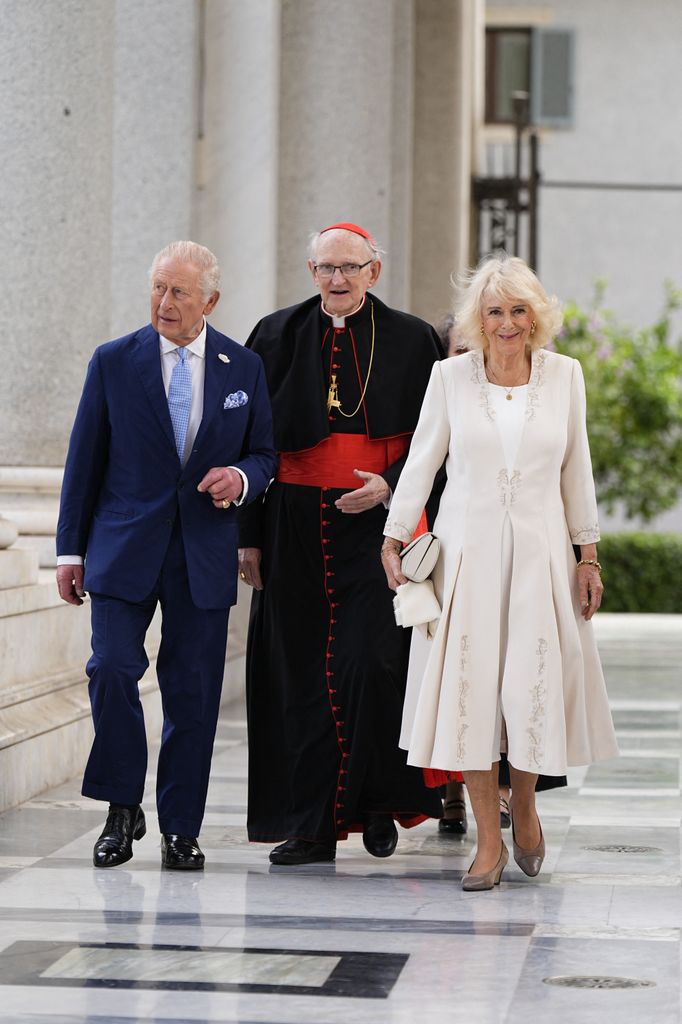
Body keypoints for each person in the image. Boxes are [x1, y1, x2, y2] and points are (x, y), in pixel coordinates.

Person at [381, 253, 618, 891]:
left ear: (536, 317)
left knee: (530, 688)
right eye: (494, 312)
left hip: (542, 559)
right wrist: (396, 533)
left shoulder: (565, 377)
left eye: (518, 311)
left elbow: (578, 472)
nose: (507, 323)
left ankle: (529, 806)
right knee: (471, 693)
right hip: (467, 559)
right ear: (477, 320)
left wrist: (587, 555)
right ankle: (488, 839)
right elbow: (422, 461)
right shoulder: (449, 378)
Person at [56, 241, 277, 871]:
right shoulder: (113, 361)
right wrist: (69, 551)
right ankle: (121, 807)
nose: (164, 302)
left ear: (210, 299)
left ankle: (182, 826)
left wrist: (239, 476)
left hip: (202, 552)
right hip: (122, 548)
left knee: (194, 692)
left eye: (179, 292)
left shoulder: (244, 367)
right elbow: (84, 461)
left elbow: (266, 454)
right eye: (158, 287)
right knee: (111, 669)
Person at [238, 222, 444, 865]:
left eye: (349, 268)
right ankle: (310, 825)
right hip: (292, 525)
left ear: (373, 272)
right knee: (297, 674)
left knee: (375, 663)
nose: (336, 279)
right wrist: (247, 539)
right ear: (310, 270)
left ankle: (378, 805)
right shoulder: (274, 335)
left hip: (377, 528)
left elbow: (441, 440)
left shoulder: (413, 341)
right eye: (325, 268)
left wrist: (391, 490)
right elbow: (246, 443)